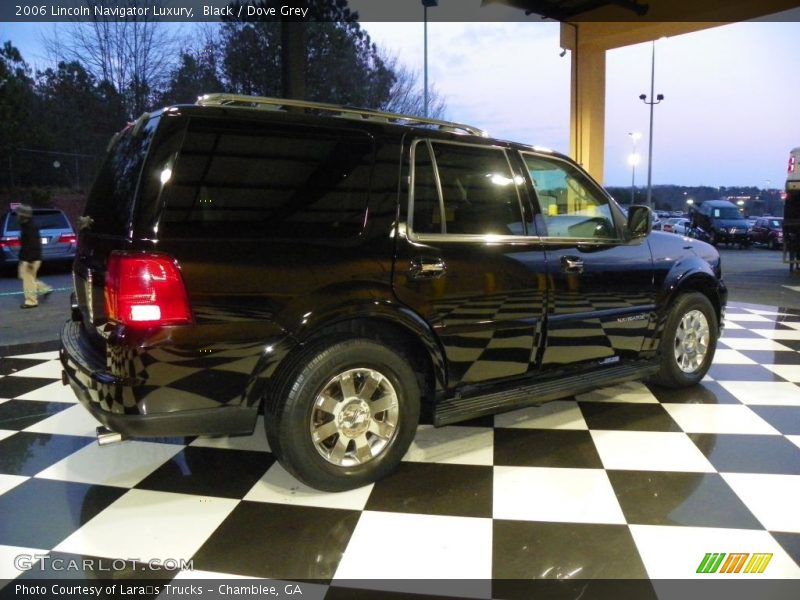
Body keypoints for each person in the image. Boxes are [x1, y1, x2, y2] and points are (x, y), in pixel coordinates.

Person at [16, 204, 53, 309]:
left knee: (28, 280)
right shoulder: (27, 225)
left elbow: (33, 245)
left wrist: (30, 261)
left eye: (19, 214)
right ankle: (44, 289)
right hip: (28, 257)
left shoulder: (29, 227)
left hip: (30, 258)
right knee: (27, 277)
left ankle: (31, 301)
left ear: (23, 215)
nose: (17, 215)